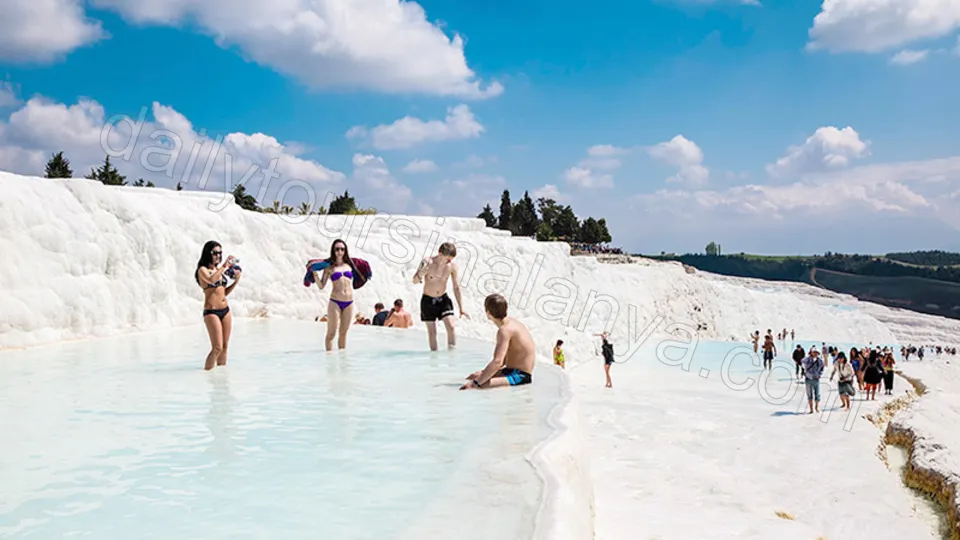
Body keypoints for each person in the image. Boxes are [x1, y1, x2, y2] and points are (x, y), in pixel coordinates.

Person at [460, 294, 535, 390]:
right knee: (474, 376)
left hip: (520, 376)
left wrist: (475, 383)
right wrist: (482, 374)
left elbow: (497, 362)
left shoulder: (505, 331)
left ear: (488, 313)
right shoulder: (511, 323)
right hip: (511, 370)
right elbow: (505, 358)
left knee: (475, 387)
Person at [413, 242, 469, 350]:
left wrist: (461, 308)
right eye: (447, 259)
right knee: (432, 332)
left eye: (451, 259)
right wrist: (421, 274)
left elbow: (456, 287)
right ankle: (434, 359)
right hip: (428, 300)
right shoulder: (427, 262)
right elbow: (414, 280)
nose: (449, 261)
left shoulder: (452, 266)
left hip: (443, 299)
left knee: (451, 327)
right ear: (440, 253)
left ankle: (452, 356)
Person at [195, 241, 241, 371]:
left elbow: (223, 292)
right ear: (207, 253)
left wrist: (236, 280)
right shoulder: (203, 270)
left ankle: (221, 376)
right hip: (212, 312)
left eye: (220, 253)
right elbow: (211, 280)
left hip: (225, 310)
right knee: (217, 347)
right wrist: (224, 266)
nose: (218, 256)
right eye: (215, 253)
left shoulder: (217, 270)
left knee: (225, 346)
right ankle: (207, 375)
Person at [315, 239, 357, 351]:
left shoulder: (350, 265)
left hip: (349, 302)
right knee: (331, 333)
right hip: (335, 301)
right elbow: (321, 285)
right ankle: (329, 361)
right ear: (333, 251)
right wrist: (314, 274)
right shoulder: (329, 268)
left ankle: (342, 362)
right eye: (337, 249)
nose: (340, 251)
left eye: (342, 249)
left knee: (343, 333)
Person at [801, 347, 825, 414]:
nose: (815, 354)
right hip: (808, 379)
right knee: (809, 395)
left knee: (817, 394)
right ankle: (811, 409)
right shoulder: (807, 359)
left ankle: (816, 407)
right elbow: (802, 361)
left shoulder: (820, 361)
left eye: (816, 353)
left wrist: (820, 375)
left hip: (816, 379)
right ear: (811, 352)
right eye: (814, 352)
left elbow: (822, 368)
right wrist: (809, 356)